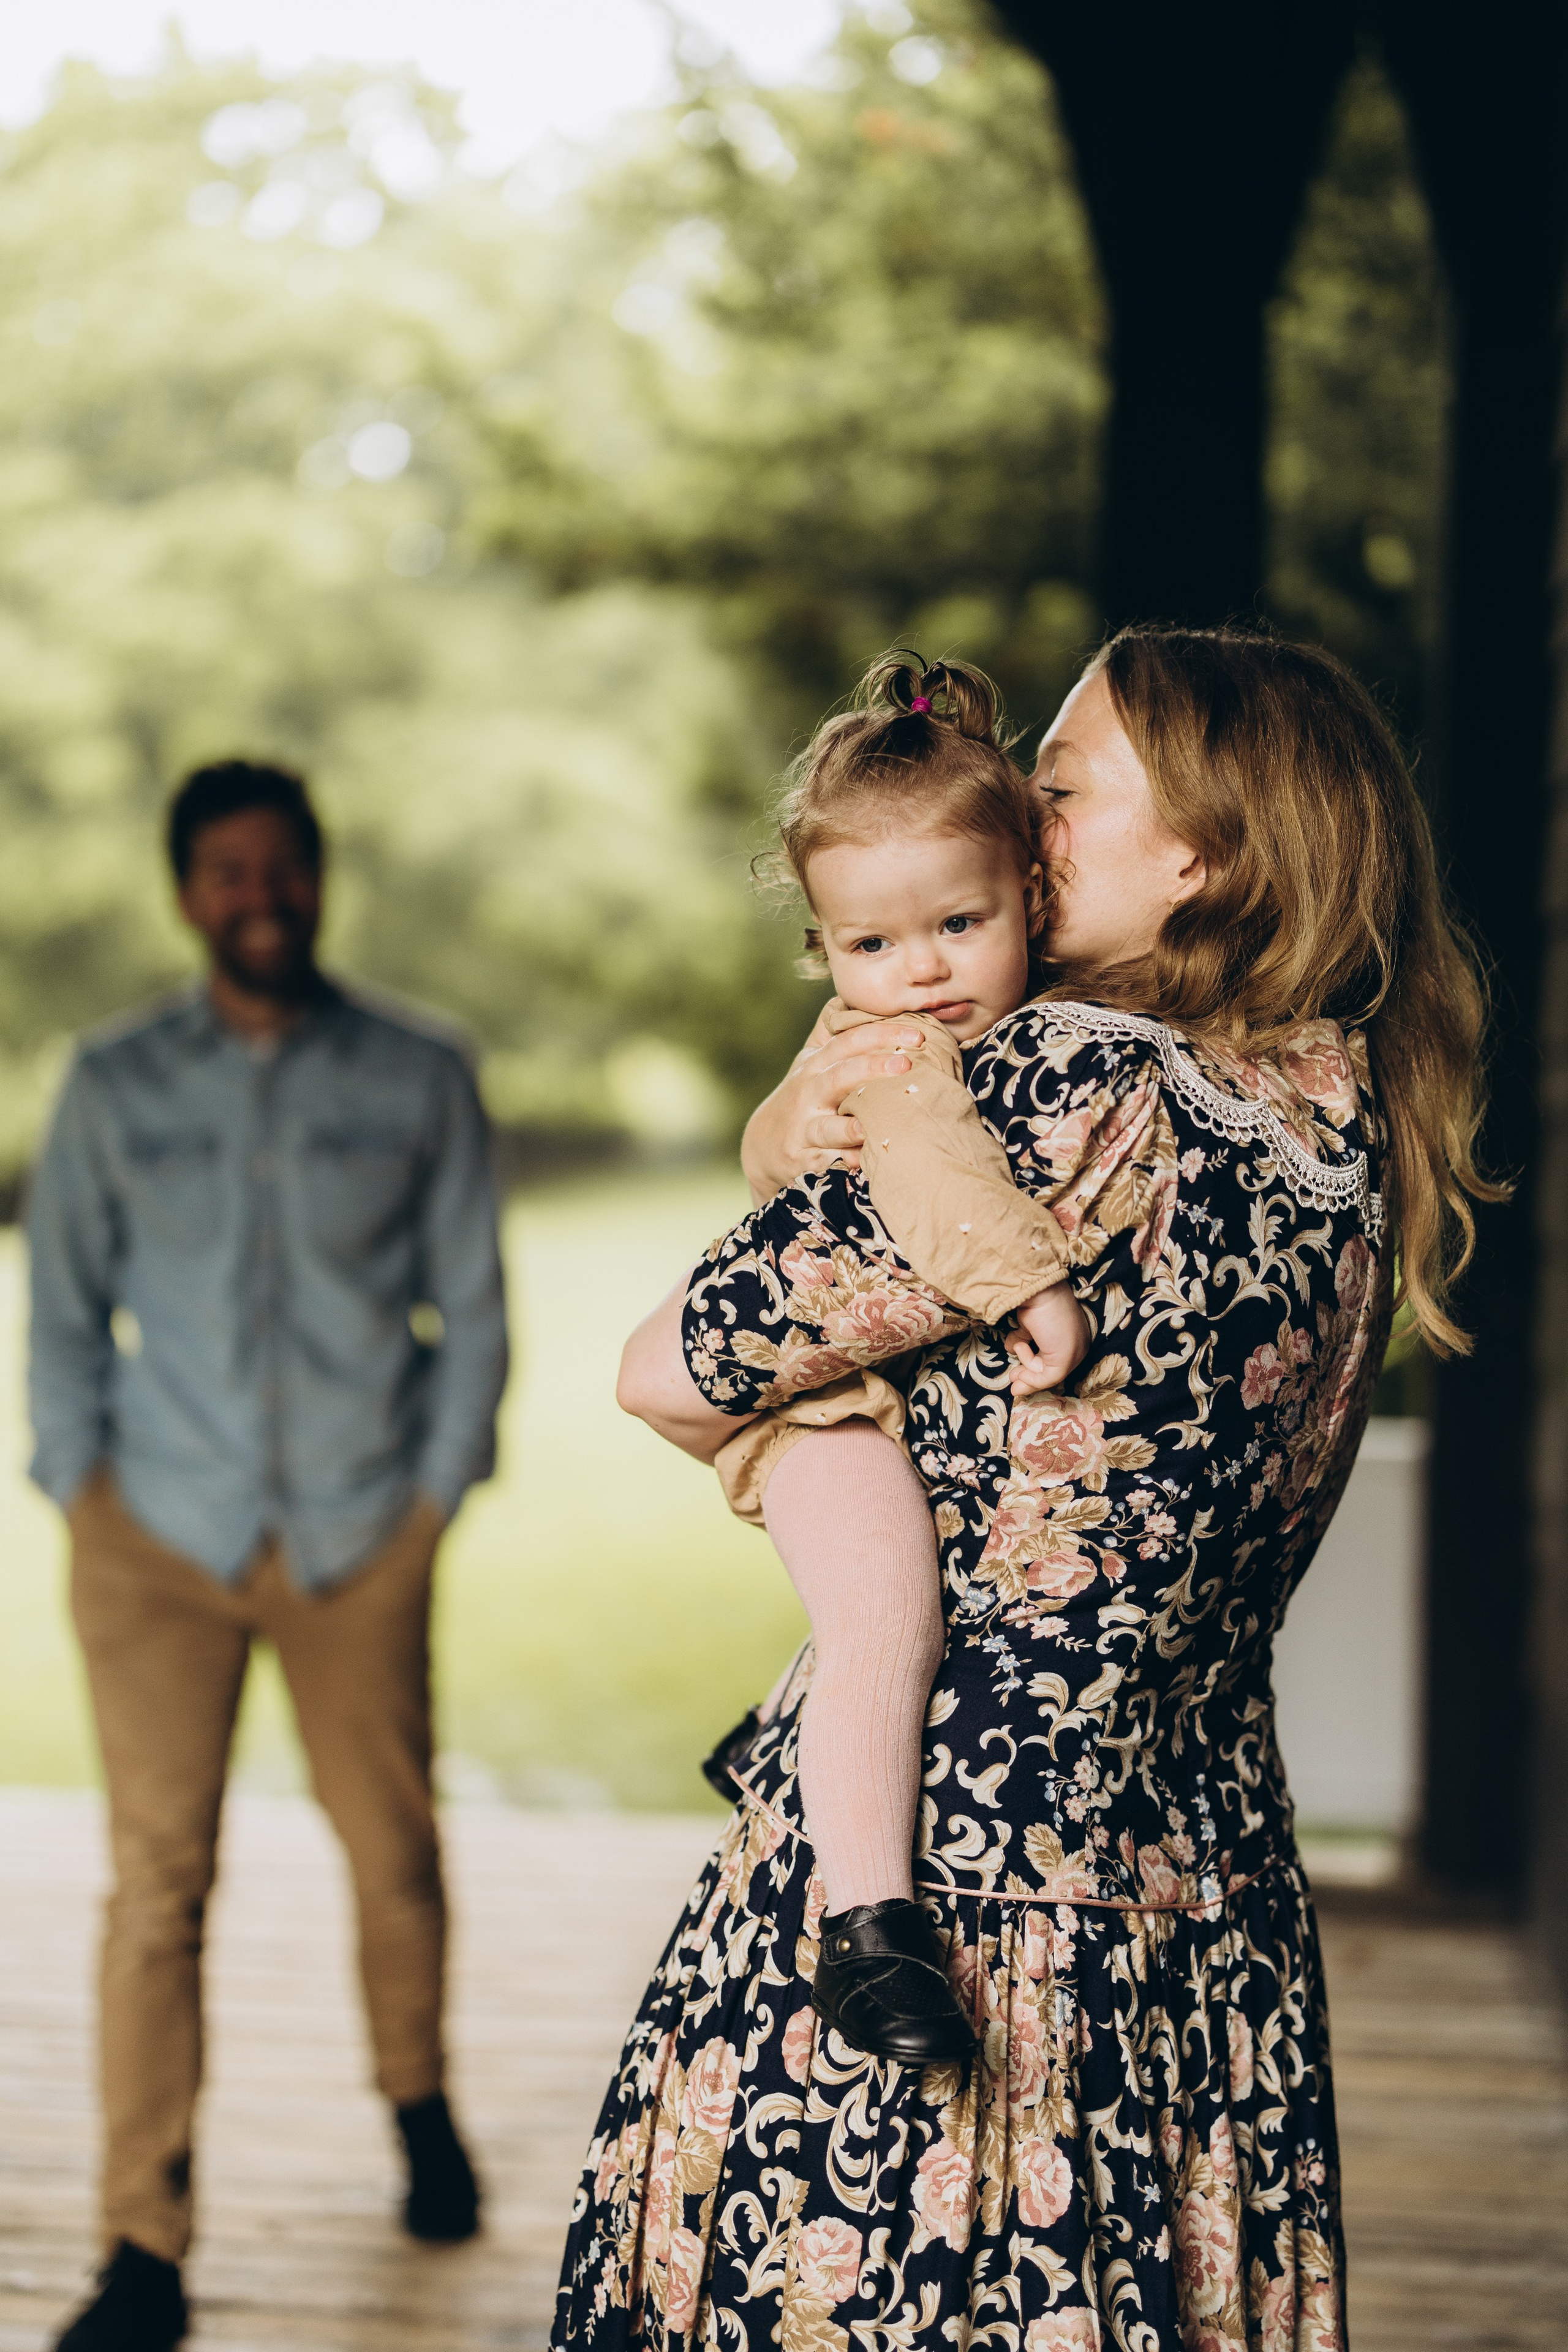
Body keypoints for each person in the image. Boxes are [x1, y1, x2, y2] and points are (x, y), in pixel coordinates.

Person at [556, 625, 1494, 2348]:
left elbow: (677, 1358)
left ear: (1201, 851)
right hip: (1202, 1922)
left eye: (1065, 791)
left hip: (956, 1890)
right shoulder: (1340, 1133)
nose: (1022, 815)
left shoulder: (1073, 1088)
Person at [30, 760, 508, 2352]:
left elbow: (473, 1307)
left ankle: (418, 2103)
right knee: (155, 1889)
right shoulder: (110, 1085)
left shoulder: (422, 1073)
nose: (261, 897)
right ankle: (140, 2244)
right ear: (188, 894)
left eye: (284, 868)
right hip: (154, 1535)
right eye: (228, 873)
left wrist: (432, 1501)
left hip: (361, 1530)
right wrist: (77, 1485)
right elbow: (61, 1312)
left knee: (395, 1853)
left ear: (321, 879)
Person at [695, 650, 1089, 2066]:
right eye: (871, 947)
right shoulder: (905, 1052)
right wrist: (1028, 1285)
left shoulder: (958, 1029)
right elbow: (928, 1178)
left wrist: (784, 1141)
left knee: (885, 1610)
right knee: (887, 1618)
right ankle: (869, 1942)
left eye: (956, 924)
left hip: (829, 1390)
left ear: (1029, 900)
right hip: (818, 1417)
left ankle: (785, 1753)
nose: (917, 972)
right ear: (824, 950)